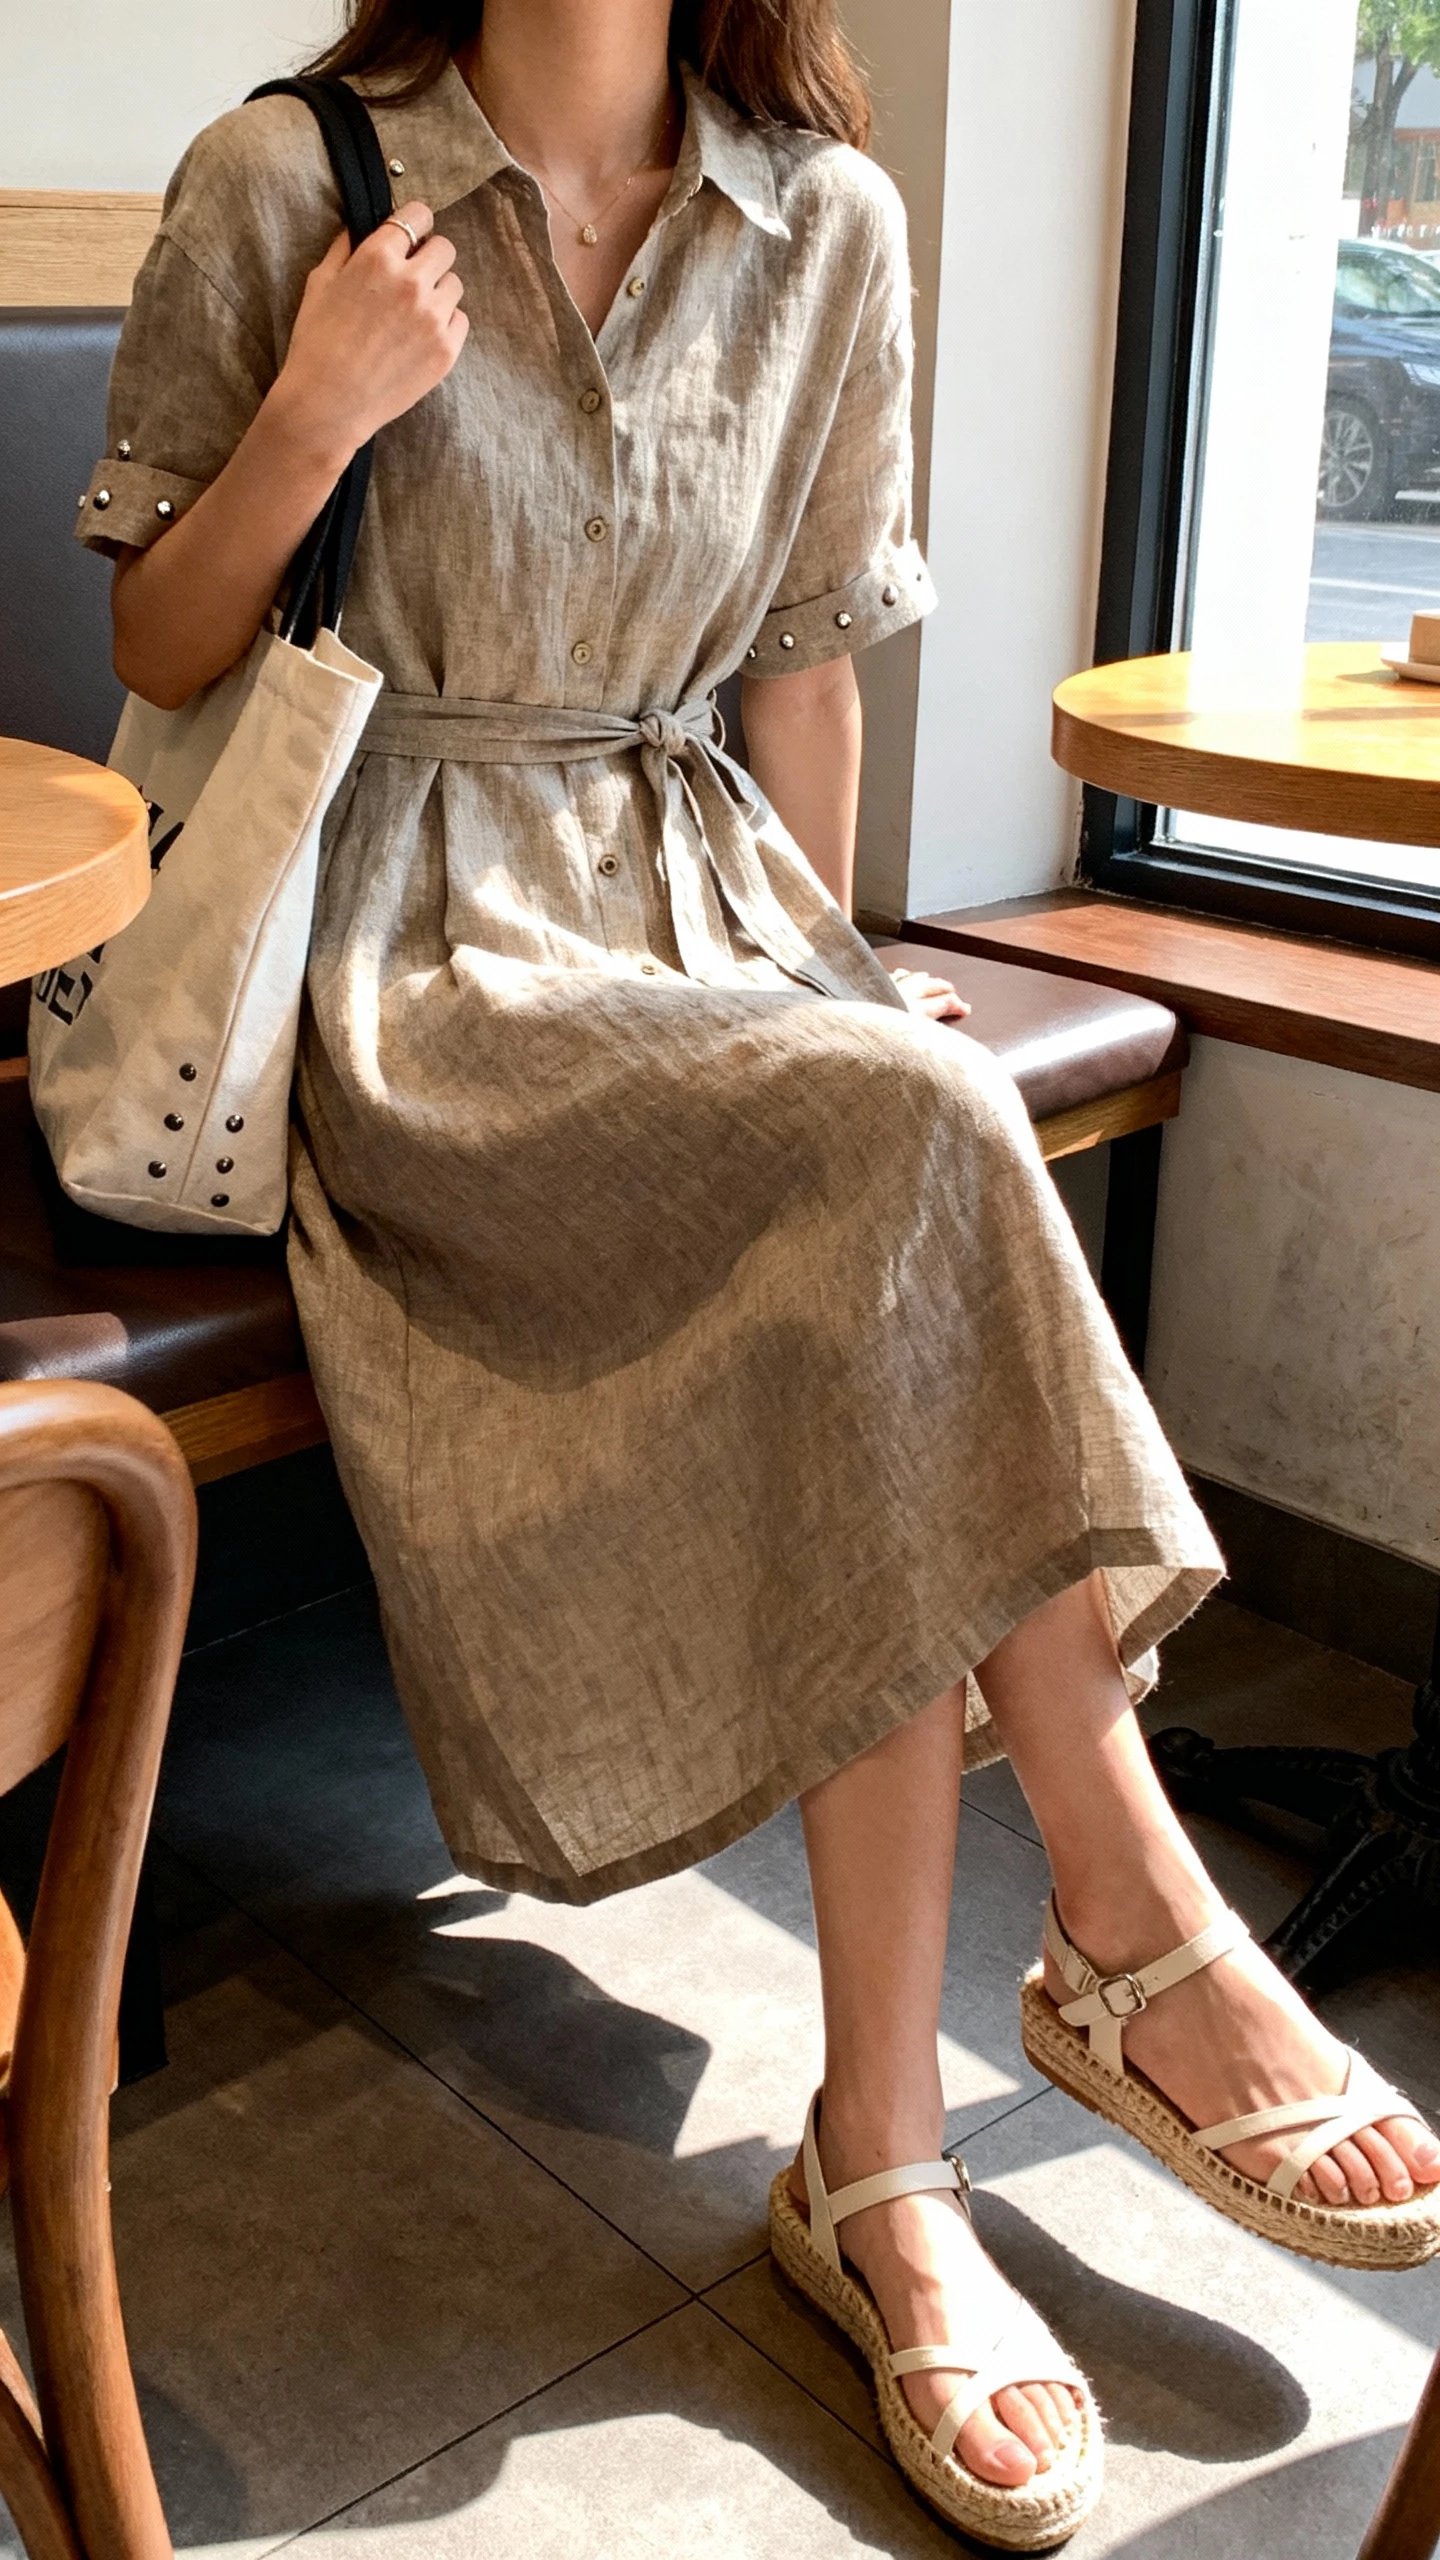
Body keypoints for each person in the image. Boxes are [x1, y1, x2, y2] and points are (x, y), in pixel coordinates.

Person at [79, 0, 1440, 2543]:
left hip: (694, 908)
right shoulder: (296, 175)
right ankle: (1106, 1946)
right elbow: (165, 651)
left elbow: (799, 666)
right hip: (412, 946)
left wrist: (821, 973)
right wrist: (316, 414)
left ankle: (891, 2151)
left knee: (884, 1162)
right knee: (895, 1157)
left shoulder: (831, 222)